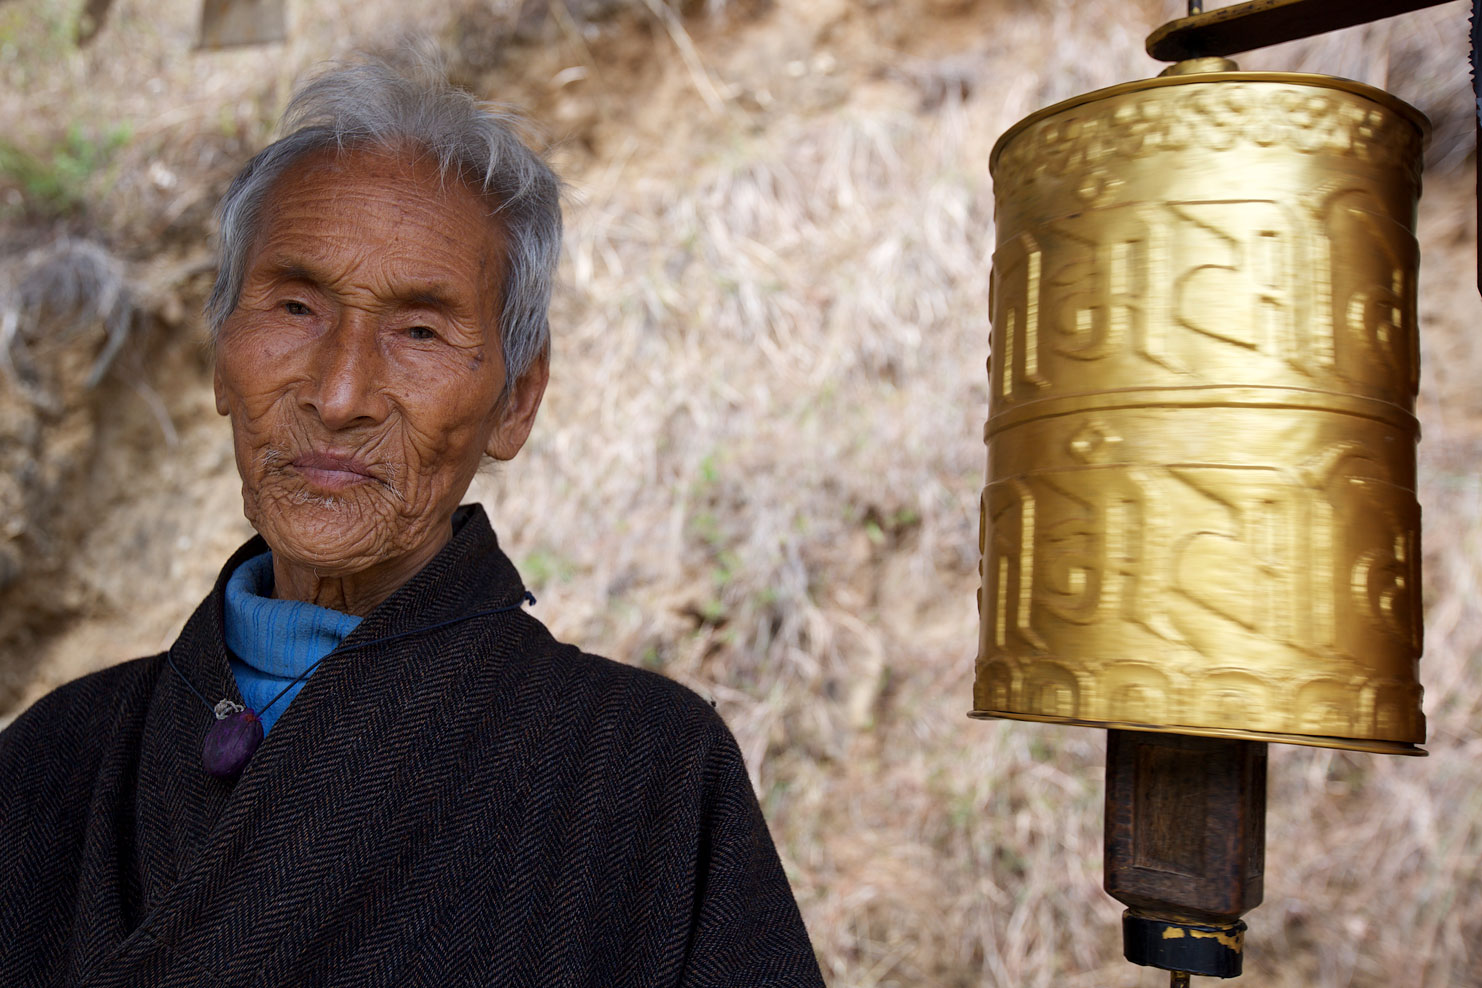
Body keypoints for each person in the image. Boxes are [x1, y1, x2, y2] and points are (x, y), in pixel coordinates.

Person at [0, 55, 824, 987]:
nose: (342, 392)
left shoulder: (639, 776)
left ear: (516, 401)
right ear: (222, 355)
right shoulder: (53, 761)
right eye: (297, 306)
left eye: (421, 331)